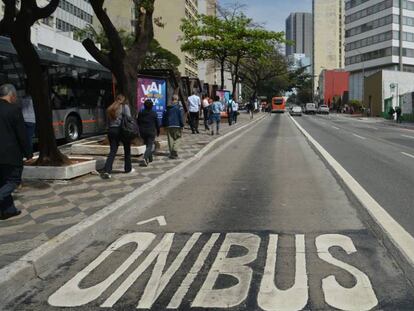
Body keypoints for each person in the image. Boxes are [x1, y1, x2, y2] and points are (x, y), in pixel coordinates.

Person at [0, 84, 32, 220]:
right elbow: (22, 134)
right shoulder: (14, 109)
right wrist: (28, 153)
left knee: (2, 181)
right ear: (12, 95)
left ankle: (9, 210)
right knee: (13, 181)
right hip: (10, 154)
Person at [102, 94, 133, 179]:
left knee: (112, 151)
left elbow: (107, 123)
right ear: (123, 100)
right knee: (127, 149)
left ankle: (107, 170)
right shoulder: (124, 107)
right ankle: (127, 168)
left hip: (111, 131)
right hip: (122, 130)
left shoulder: (110, 108)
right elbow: (129, 118)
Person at [137, 99, 160, 167]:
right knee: (150, 145)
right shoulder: (154, 113)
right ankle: (145, 158)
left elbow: (138, 121)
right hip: (151, 131)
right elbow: (157, 124)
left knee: (147, 144)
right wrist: (158, 131)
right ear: (152, 106)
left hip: (143, 132)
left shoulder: (141, 113)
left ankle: (150, 158)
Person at [163, 95, 184, 159]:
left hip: (169, 125)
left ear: (172, 99)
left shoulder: (167, 108)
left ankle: (172, 153)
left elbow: (164, 117)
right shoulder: (179, 108)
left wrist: (164, 125)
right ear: (177, 99)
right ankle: (174, 150)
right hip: (177, 125)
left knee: (170, 139)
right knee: (178, 137)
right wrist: (182, 125)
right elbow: (181, 117)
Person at [21, 89, 36, 156]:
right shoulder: (33, 100)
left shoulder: (22, 99)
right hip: (32, 120)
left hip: (24, 120)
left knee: (24, 137)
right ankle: (30, 153)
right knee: (29, 138)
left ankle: (24, 152)